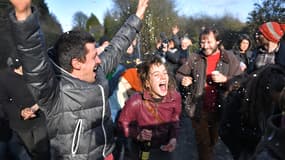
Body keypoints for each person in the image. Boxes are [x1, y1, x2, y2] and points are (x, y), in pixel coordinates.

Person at [8, 0, 149, 159]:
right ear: (76, 63)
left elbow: (117, 47)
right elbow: (34, 60)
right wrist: (23, 15)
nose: (99, 60)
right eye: (94, 56)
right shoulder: (55, 93)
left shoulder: (99, 71)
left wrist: (137, 16)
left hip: (107, 153)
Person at [175, 27, 242, 160]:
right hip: (198, 110)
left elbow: (241, 80)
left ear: (218, 41)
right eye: (202, 42)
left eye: (209, 42)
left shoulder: (229, 57)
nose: (205, 46)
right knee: (203, 145)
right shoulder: (195, 58)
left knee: (212, 141)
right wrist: (183, 79)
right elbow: (178, 73)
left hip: (221, 110)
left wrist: (226, 80)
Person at [118, 55, 182, 160]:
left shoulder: (175, 97)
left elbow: (175, 120)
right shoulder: (135, 102)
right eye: (156, 75)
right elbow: (122, 124)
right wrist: (138, 134)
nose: (163, 77)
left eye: (164, 73)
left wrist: (173, 138)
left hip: (164, 149)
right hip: (140, 150)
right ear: (147, 83)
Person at [219, 64, 285, 160]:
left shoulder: (277, 100)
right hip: (246, 150)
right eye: (273, 99)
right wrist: (242, 153)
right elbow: (226, 129)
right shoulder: (242, 99)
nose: (275, 103)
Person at [0, 56, 50, 160]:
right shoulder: (4, 78)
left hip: (39, 118)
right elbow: (4, 102)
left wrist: (35, 107)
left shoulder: (35, 73)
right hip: (20, 124)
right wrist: (21, 112)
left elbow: (46, 92)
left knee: (44, 150)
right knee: (31, 150)